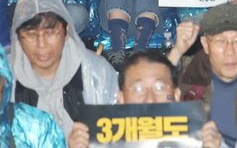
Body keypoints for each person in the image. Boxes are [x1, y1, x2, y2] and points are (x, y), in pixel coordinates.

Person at [8, 0, 117, 137]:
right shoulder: (5, 78)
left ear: (66, 31)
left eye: (50, 33)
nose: (41, 44)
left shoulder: (95, 72)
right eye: (31, 35)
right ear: (18, 37)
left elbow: (115, 135)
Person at [67, 50, 224, 148]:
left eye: (160, 87)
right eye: (138, 89)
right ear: (120, 98)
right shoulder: (99, 142)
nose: (150, 99)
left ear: (176, 95)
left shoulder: (200, 139)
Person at [178, 3, 237, 148]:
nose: (230, 51)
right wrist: (176, 51)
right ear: (205, 44)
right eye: (220, 41)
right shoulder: (185, 80)